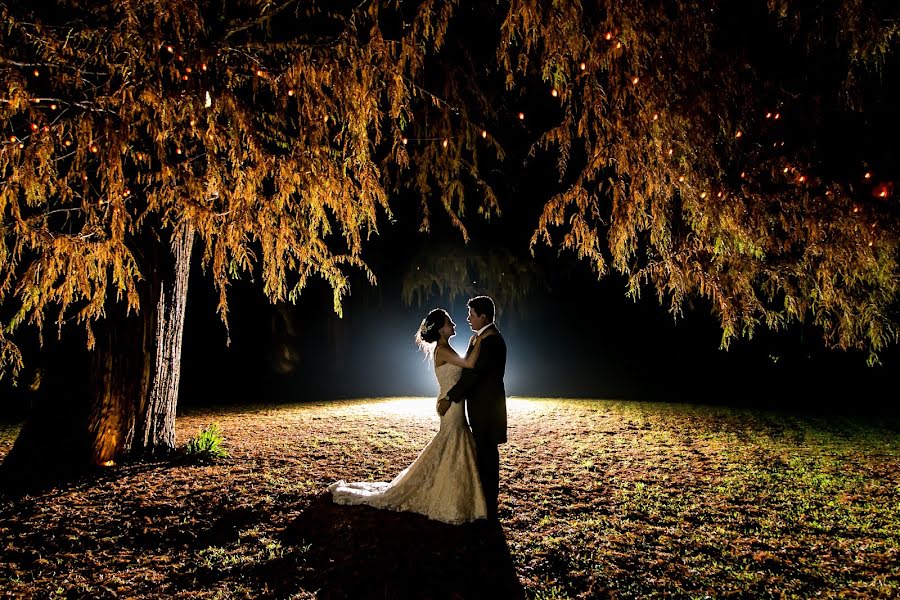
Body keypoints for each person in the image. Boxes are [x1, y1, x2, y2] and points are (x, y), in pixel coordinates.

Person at [328, 308, 488, 524]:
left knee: (452, 442)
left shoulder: (446, 348)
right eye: (450, 322)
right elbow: (469, 364)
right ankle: (447, 491)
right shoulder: (442, 350)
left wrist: (474, 342)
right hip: (450, 406)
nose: (454, 325)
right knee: (451, 441)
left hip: (454, 403)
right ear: (441, 329)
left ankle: (451, 487)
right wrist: (481, 338)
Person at [437, 295, 507, 520]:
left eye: (471, 314)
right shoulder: (478, 339)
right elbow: (468, 369)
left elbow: (473, 374)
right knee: (482, 454)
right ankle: (483, 502)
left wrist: (451, 396)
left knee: (487, 455)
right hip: (478, 408)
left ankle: (489, 505)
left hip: (488, 409)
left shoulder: (491, 340)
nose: (468, 318)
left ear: (483, 316)